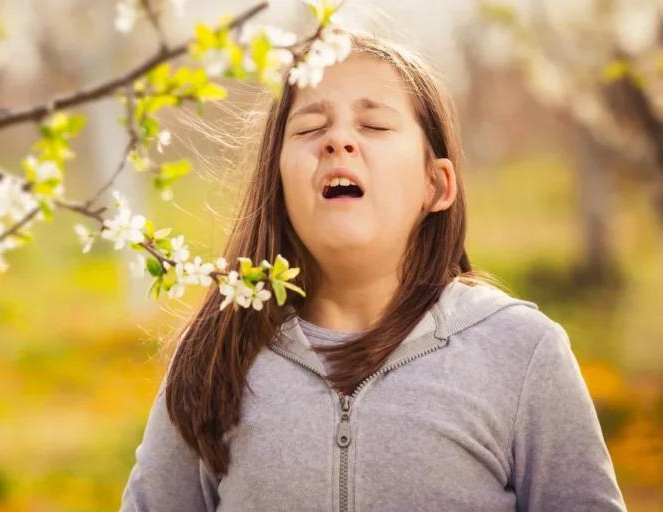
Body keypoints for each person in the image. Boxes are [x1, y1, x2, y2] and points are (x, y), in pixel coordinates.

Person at [119, 27, 627, 512]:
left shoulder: (520, 352)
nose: (338, 141)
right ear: (277, 181)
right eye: (311, 127)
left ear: (437, 185)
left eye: (375, 125)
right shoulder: (215, 355)